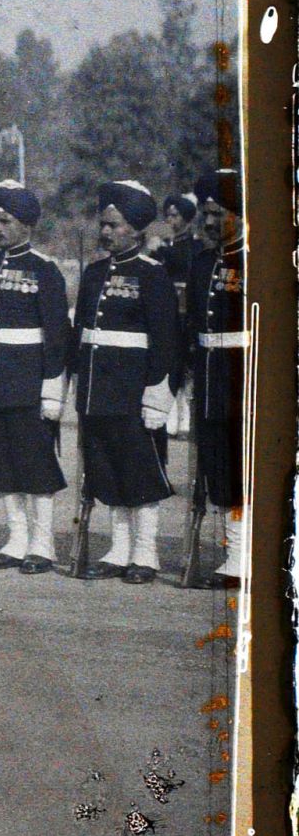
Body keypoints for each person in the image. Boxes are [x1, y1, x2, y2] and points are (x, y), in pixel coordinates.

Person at [68, 180, 178, 583]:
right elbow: (81, 334)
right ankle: (118, 549)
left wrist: (158, 393)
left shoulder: (152, 275)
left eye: (113, 225)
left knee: (139, 472)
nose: (105, 231)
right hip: (96, 391)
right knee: (107, 471)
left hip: (133, 392)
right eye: (103, 224)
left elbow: (166, 340)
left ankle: (145, 553)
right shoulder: (94, 273)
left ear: (136, 228)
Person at [0, 181, 70, 575]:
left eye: (6, 221)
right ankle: (16, 539)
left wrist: (52, 388)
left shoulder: (45, 269)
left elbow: (56, 335)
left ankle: (42, 544)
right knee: (3, 464)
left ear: (27, 225)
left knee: (34, 465)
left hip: (29, 381)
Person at [177, 168, 244, 586]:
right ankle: (235, 553)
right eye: (206, 214)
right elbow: (192, 328)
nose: (209, 221)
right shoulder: (201, 262)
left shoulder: (261, 258)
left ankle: (246, 554)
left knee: (245, 467)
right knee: (218, 467)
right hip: (208, 377)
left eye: (218, 213)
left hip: (246, 377)